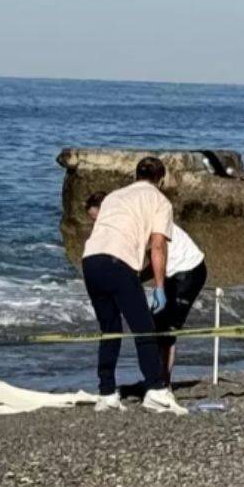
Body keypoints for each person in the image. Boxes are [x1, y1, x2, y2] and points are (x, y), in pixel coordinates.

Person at [80, 157, 187, 415]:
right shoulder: (160, 201)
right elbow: (158, 246)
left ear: (135, 176)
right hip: (119, 261)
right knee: (144, 329)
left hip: (90, 261)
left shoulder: (114, 196)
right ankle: (156, 391)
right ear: (161, 180)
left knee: (110, 329)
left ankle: (106, 393)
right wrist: (159, 286)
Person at [86, 192, 208, 388]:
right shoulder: (126, 220)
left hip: (188, 269)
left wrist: (143, 282)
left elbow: (156, 254)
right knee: (155, 323)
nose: (98, 225)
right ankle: (157, 377)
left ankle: (163, 382)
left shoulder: (134, 221)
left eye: (98, 219)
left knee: (166, 329)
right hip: (170, 270)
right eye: (94, 221)